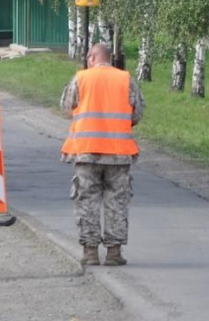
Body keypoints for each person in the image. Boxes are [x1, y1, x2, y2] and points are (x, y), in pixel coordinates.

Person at [60, 42, 144, 266]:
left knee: (87, 201)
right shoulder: (126, 80)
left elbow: (66, 108)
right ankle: (114, 253)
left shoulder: (80, 79)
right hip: (118, 154)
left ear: (91, 57)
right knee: (116, 202)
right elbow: (136, 114)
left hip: (87, 152)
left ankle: (90, 252)